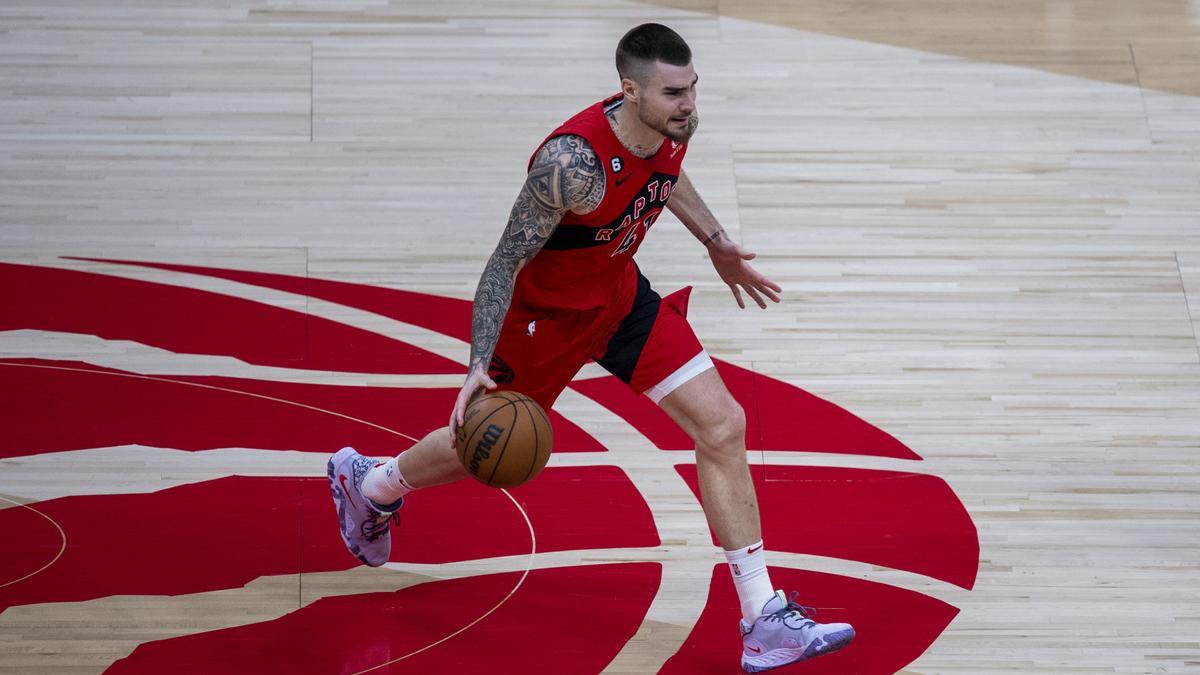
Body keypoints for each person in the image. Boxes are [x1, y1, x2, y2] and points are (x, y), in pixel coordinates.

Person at [328, 23, 854, 672]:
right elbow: (501, 265)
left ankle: (762, 617)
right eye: (673, 94)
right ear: (628, 91)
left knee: (723, 424)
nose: (689, 104)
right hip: (541, 322)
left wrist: (715, 240)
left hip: (618, 297)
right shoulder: (569, 167)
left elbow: (665, 176)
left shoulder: (670, 126)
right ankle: (371, 484)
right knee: (487, 446)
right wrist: (474, 364)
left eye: (693, 89)